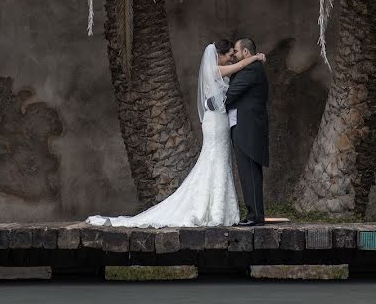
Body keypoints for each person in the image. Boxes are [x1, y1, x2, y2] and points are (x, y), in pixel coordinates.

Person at [85, 39, 265, 228]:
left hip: (219, 121)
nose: (232, 58)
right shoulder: (215, 71)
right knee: (215, 159)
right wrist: (256, 57)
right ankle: (213, 210)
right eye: (229, 54)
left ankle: (220, 209)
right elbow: (242, 64)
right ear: (218, 56)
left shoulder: (222, 72)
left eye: (233, 54)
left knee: (219, 161)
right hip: (215, 123)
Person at [225, 38, 270, 226]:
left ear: (245, 52)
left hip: (248, 128)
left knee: (249, 171)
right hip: (244, 126)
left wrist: (211, 105)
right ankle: (254, 214)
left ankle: (255, 216)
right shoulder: (249, 68)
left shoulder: (252, 69)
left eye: (235, 51)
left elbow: (231, 94)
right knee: (247, 172)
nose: (233, 54)